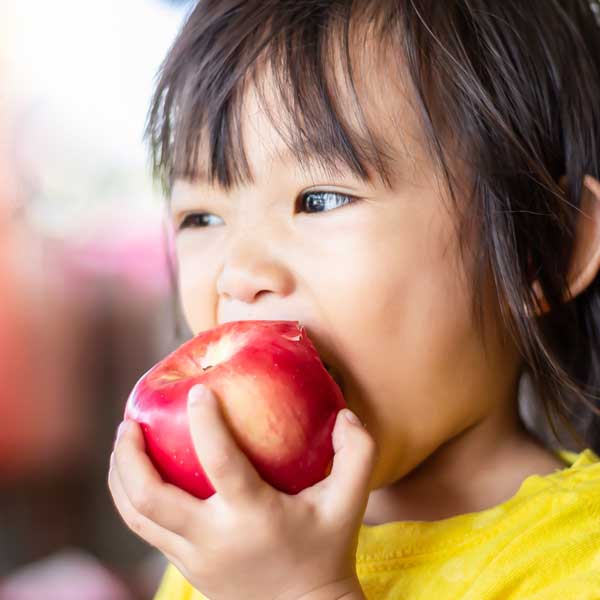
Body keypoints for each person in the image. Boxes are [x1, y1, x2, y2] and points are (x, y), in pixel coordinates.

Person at [108, 1, 600, 598]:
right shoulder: (231, 543)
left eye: (319, 199)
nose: (238, 274)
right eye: (202, 215)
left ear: (540, 251)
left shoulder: (577, 559)